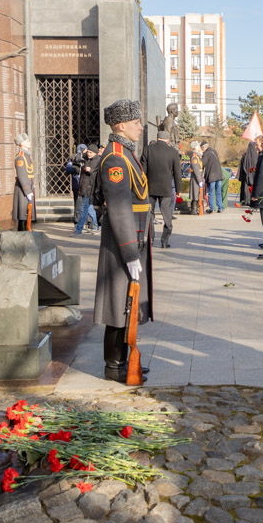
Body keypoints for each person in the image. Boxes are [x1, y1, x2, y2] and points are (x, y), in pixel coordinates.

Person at [92, 99, 153, 383]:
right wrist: (129, 253)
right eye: (136, 122)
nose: (140, 126)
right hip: (122, 242)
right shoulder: (116, 158)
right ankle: (114, 366)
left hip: (133, 238)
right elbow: (118, 208)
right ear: (121, 125)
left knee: (128, 302)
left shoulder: (126, 152)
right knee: (118, 304)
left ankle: (125, 360)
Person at [143, 130, 183, 248]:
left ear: (157, 138)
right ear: (168, 140)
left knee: (149, 214)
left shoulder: (147, 149)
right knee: (167, 215)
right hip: (166, 189)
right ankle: (164, 241)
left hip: (150, 188)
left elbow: (142, 171)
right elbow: (177, 173)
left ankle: (150, 240)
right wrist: (178, 189)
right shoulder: (173, 152)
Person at [70, 145, 100, 236]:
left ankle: (79, 230)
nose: (89, 154)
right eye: (88, 152)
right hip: (83, 188)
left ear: (95, 153)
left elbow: (94, 173)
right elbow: (75, 159)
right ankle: (95, 225)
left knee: (84, 209)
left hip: (89, 189)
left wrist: (89, 170)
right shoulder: (86, 159)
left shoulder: (97, 160)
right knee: (88, 209)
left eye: (91, 152)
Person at [13, 133, 35, 230]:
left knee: (27, 214)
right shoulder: (20, 157)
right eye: (27, 141)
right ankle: (22, 236)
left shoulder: (26, 155)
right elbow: (21, 175)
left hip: (28, 187)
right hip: (23, 189)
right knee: (23, 215)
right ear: (21, 143)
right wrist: (27, 191)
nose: (29, 142)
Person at [201, 141, 224, 213]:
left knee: (211, 192)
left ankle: (212, 208)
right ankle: (220, 208)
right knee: (218, 192)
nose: (202, 150)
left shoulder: (206, 153)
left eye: (202, 148)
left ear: (204, 147)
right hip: (219, 175)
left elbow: (202, 163)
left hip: (211, 176)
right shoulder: (214, 151)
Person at [237, 138, 258, 206]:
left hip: (246, 177)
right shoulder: (258, 156)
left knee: (246, 189)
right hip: (255, 177)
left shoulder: (245, 156)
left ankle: (245, 200)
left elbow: (242, 167)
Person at [187, 141, 205, 215]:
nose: (199, 147)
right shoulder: (195, 156)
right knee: (195, 194)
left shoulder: (198, 156)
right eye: (198, 146)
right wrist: (199, 180)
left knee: (198, 194)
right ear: (195, 147)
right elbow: (196, 169)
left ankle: (196, 209)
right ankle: (193, 210)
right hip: (196, 178)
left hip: (199, 177)